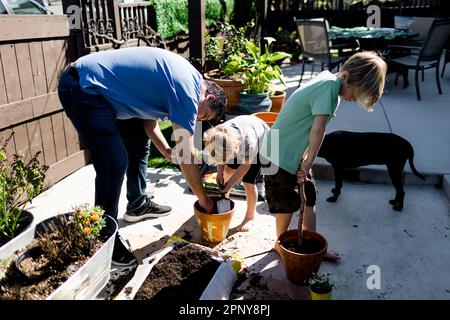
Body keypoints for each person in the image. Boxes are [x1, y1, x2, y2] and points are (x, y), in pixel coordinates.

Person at [57, 47, 227, 266]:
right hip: (83, 88)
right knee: (114, 163)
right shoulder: (188, 89)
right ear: (209, 96)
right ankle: (104, 239)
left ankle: (137, 204)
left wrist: (165, 150)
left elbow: (148, 120)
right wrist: (204, 201)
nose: (195, 119)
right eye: (202, 115)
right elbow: (186, 153)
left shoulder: (185, 80)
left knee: (138, 142)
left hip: (97, 89)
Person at [260, 51, 387, 261]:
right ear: (345, 76)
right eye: (355, 93)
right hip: (277, 154)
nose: (354, 98)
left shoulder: (329, 81)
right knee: (287, 203)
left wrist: (306, 158)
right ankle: (279, 244)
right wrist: (310, 160)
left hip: (291, 153)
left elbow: (311, 126)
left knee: (309, 197)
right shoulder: (329, 87)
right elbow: (318, 130)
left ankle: (313, 242)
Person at [203, 115, 269, 232]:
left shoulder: (250, 143)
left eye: (231, 155)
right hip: (238, 139)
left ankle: (250, 217)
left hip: (261, 141)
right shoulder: (219, 135)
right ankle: (225, 203)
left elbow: (245, 165)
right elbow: (221, 157)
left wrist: (230, 184)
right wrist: (220, 172)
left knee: (248, 182)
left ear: (236, 146)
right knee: (227, 172)